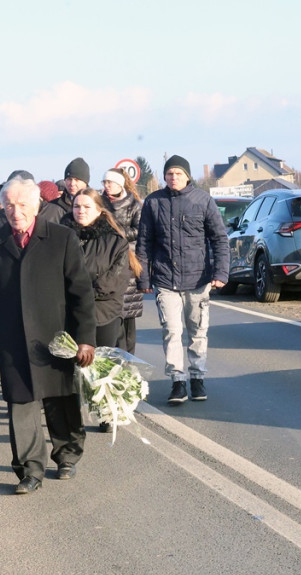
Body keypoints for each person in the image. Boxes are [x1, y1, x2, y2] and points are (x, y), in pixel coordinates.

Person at [0, 177, 96, 492]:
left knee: (61, 400)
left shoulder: (62, 238)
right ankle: (30, 470)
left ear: (37, 205)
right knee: (20, 404)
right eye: (9, 206)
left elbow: (81, 293)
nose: (16, 212)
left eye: (22, 205)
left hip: (56, 338)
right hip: (12, 340)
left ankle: (67, 454)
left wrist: (85, 338)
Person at [135, 155, 230, 405]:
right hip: (165, 280)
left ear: (187, 176)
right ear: (164, 176)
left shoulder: (203, 200)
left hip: (198, 280)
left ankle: (197, 377)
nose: (173, 177)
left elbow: (219, 239)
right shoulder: (153, 202)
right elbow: (144, 243)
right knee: (172, 331)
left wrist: (221, 273)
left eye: (178, 173)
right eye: (169, 173)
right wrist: (143, 278)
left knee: (197, 332)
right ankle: (177, 381)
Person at [61, 189, 132, 347]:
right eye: (77, 206)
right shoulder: (60, 238)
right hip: (68, 312)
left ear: (99, 210)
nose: (81, 211)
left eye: (87, 207)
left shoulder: (115, 242)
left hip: (103, 314)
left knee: (99, 360)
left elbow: (115, 280)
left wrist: (84, 294)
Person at [102, 169, 145, 354]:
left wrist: (117, 234)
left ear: (120, 185)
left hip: (129, 261)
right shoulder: (100, 203)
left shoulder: (134, 205)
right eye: (104, 182)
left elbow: (140, 230)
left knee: (128, 316)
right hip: (106, 260)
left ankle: (128, 359)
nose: (106, 186)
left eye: (110, 182)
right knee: (112, 314)